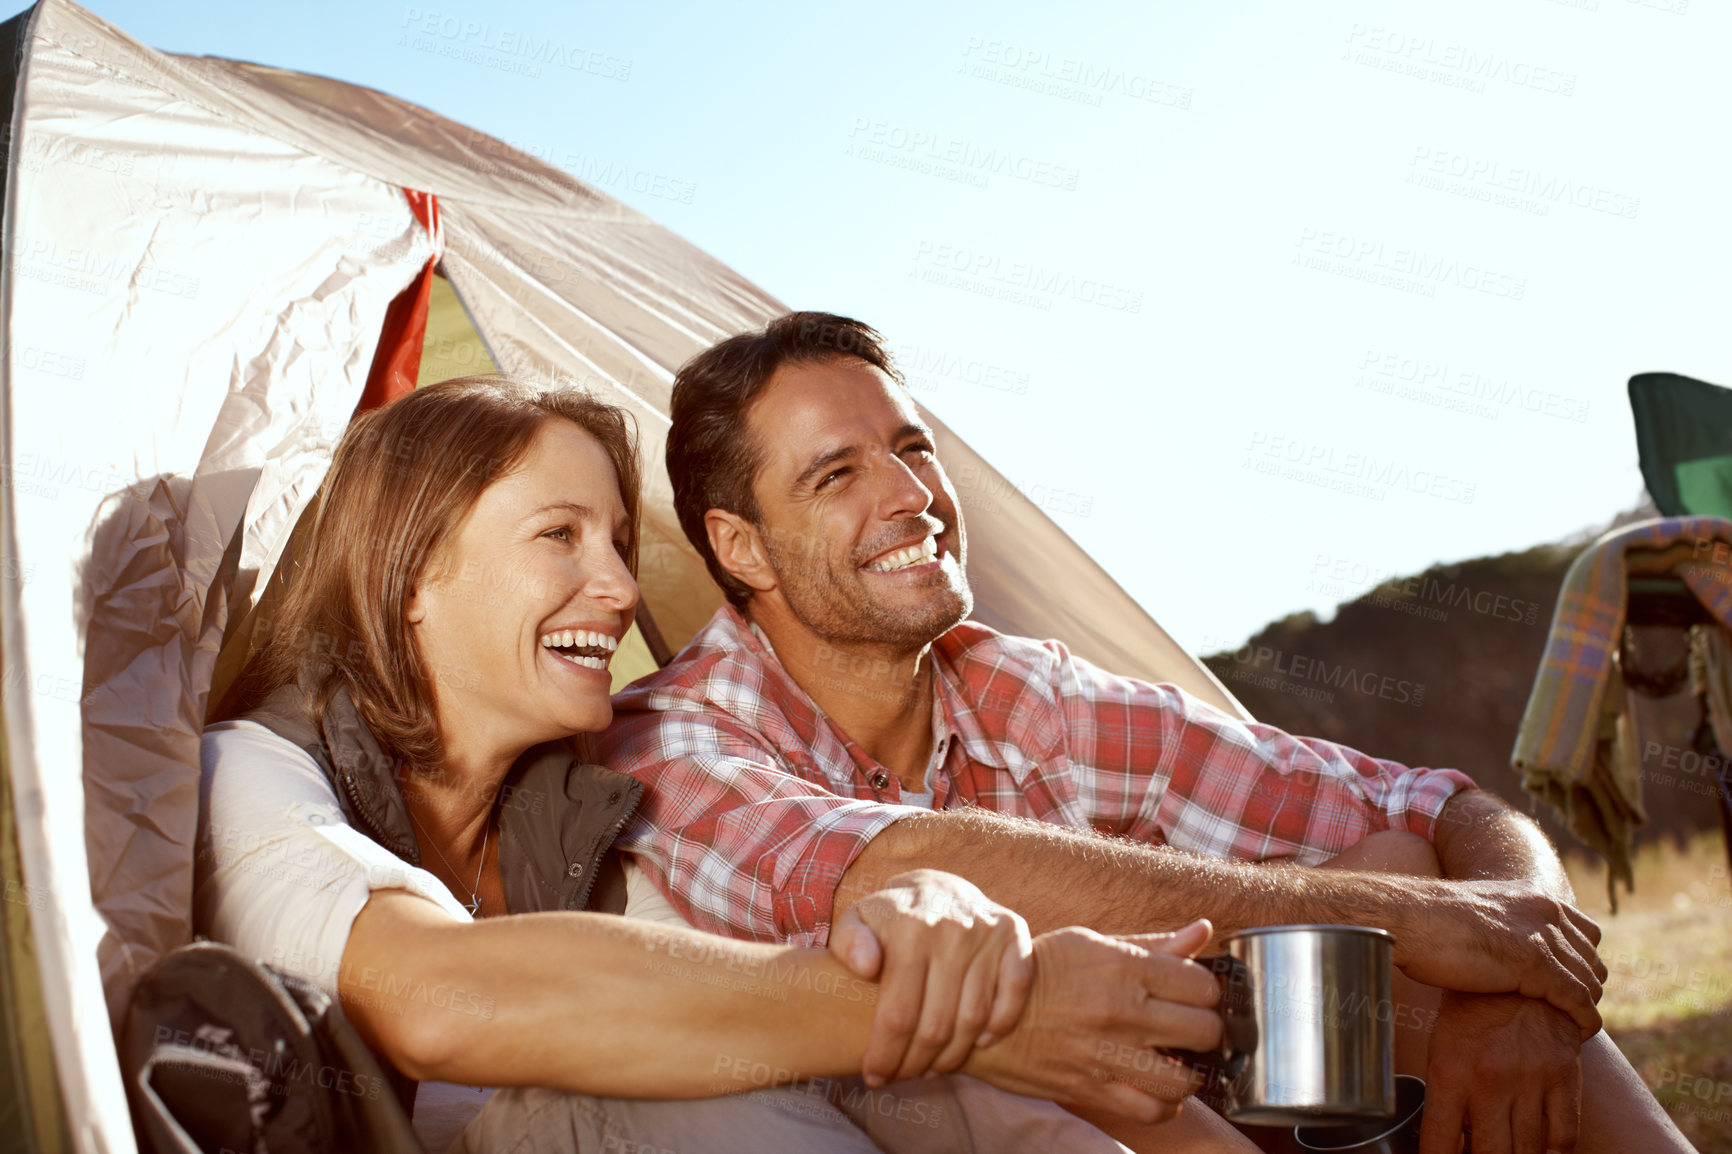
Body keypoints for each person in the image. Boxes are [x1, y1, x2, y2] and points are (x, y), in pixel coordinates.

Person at [603, 312, 1695, 1154]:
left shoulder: (1017, 690)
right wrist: (1399, 915)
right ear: (740, 548)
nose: (911, 494)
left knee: (1408, 868)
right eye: (835, 474)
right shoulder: (670, 742)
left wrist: (1514, 980)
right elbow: (889, 863)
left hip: (1178, 1100)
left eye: (912, 446)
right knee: (1383, 904)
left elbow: (1439, 806)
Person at [194, 375, 1238, 1154]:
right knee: (627, 1091)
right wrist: (972, 1012)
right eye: (559, 534)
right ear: (410, 574)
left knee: (910, 1066)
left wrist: (924, 928)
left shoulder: (580, 811)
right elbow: (438, 997)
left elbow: (736, 997)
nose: (615, 587)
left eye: (614, 538)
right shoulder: (250, 774)